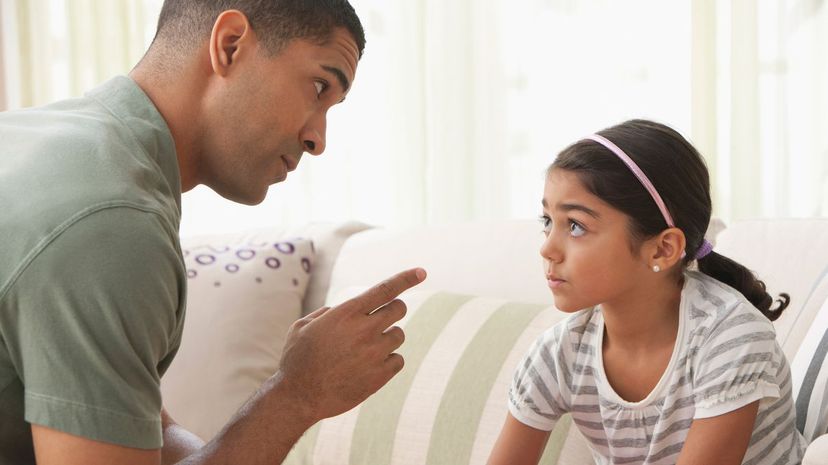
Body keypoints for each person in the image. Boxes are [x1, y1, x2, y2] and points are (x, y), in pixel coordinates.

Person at [0, 1, 426, 464]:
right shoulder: (113, 223)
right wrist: (294, 396)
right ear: (230, 45)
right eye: (319, 87)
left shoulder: (43, 145)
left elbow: (146, 436)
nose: (318, 139)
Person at [487, 119, 806, 464]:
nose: (547, 249)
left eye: (576, 226)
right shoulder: (560, 355)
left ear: (662, 249)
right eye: (547, 221)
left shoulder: (730, 335)